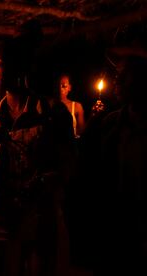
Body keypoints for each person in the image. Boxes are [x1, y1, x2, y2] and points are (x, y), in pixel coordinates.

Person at [0, 38, 74, 276]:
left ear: (19, 68)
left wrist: (41, 183)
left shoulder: (51, 113)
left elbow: (69, 164)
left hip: (40, 217)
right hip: (0, 219)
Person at [73, 25, 147, 276]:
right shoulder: (109, 125)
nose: (117, 80)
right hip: (115, 233)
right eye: (117, 74)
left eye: (124, 74)